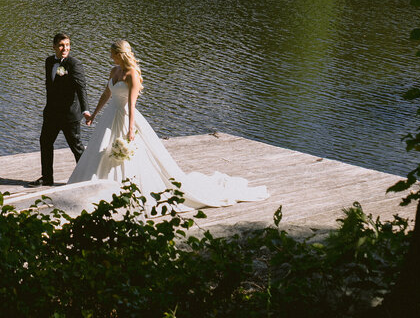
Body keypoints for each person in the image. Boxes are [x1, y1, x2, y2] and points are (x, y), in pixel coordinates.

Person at [68, 40, 268, 208]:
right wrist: (94, 114)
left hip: (125, 116)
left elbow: (131, 103)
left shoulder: (132, 74)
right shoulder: (114, 71)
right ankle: (94, 187)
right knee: (100, 149)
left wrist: (130, 129)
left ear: (121, 54)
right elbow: (106, 94)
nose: (111, 57)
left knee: (126, 155)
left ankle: (125, 190)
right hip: (110, 116)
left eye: (113, 54)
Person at [30, 32, 88, 187]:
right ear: (54, 47)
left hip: (69, 115)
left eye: (67, 45)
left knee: (76, 147)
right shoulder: (49, 61)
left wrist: (85, 110)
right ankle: (47, 178)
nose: (65, 48)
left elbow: (81, 88)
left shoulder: (74, 64)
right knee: (45, 142)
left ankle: (87, 178)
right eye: (61, 45)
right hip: (51, 113)